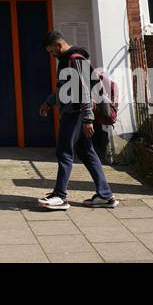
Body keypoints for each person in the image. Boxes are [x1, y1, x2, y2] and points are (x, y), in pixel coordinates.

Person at [36, 29, 117, 210]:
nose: (52, 55)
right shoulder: (67, 60)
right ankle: (105, 195)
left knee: (64, 151)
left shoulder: (75, 60)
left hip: (76, 112)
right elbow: (65, 88)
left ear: (58, 45)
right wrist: (49, 102)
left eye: (51, 51)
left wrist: (88, 118)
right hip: (75, 112)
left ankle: (60, 196)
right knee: (87, 152)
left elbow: (85, 90)